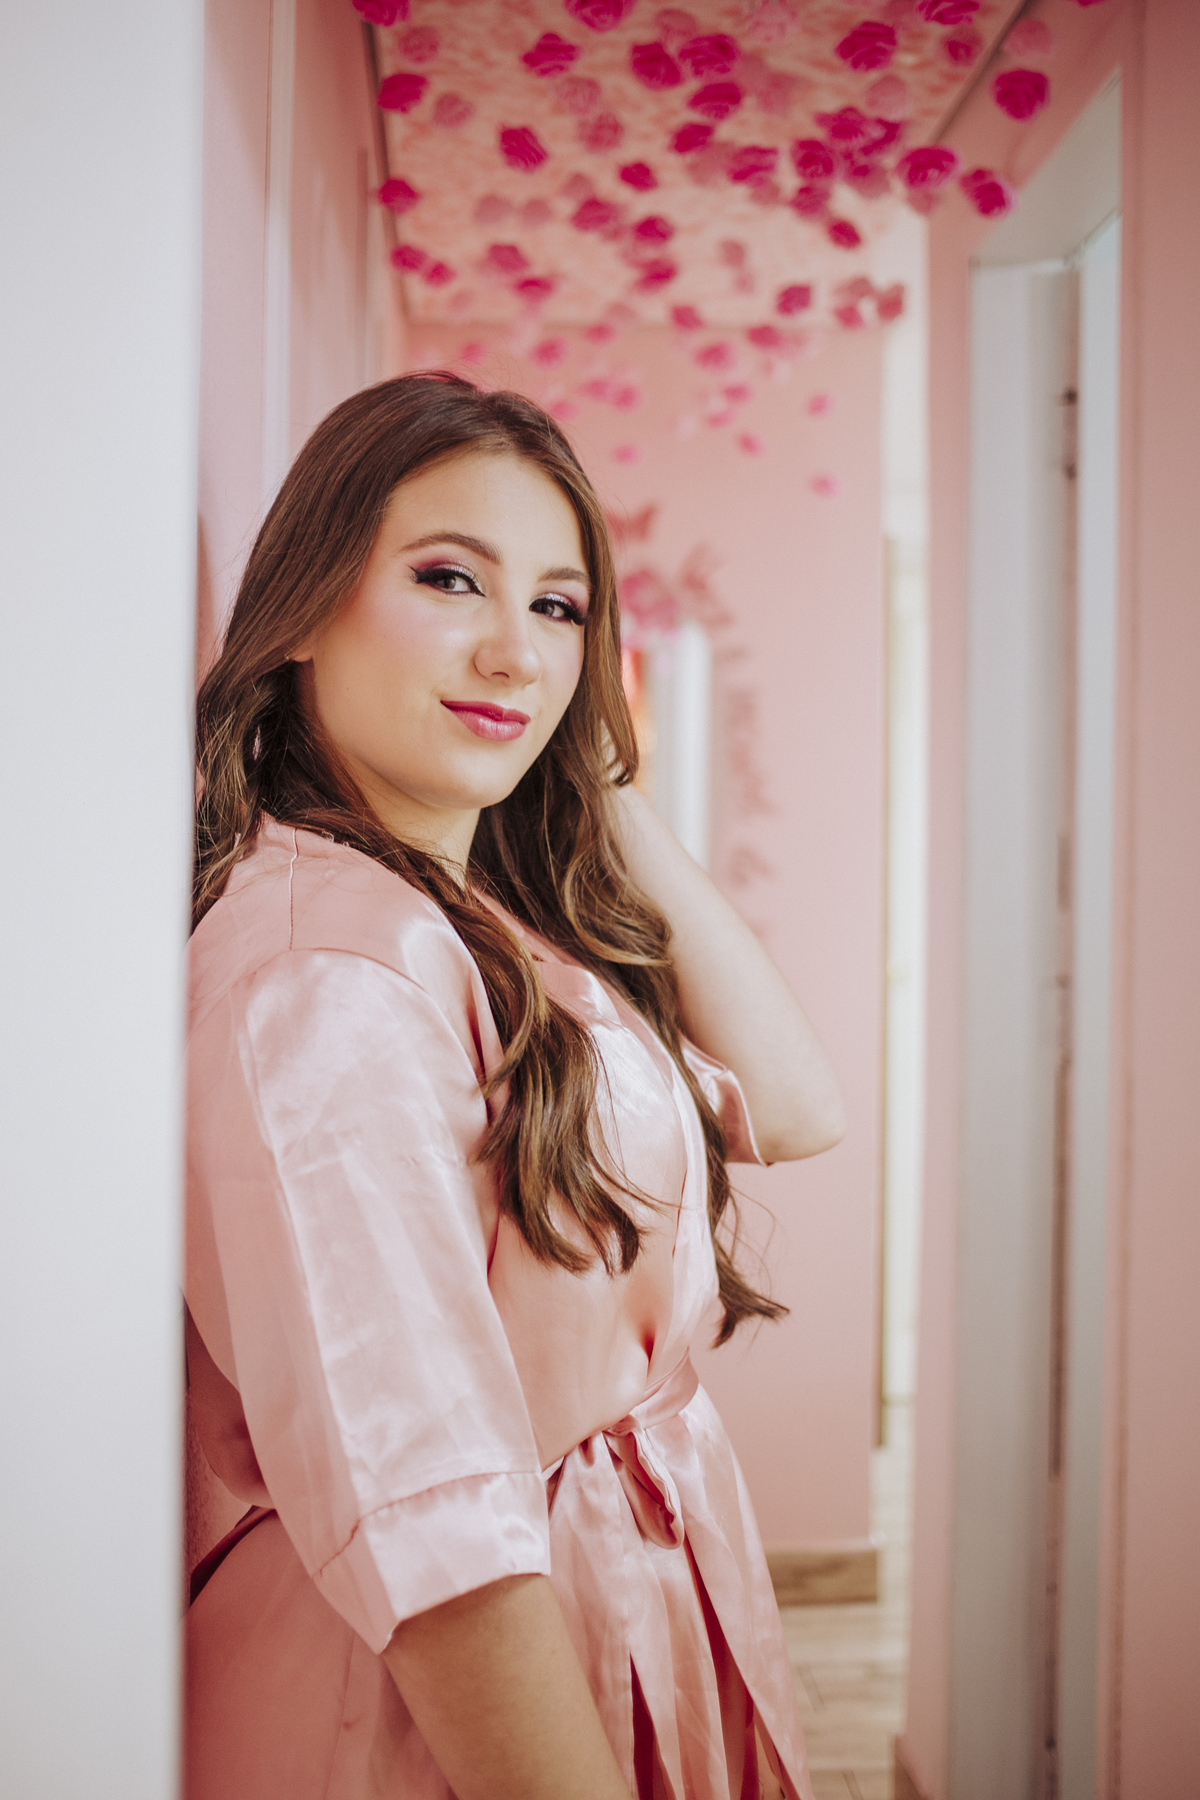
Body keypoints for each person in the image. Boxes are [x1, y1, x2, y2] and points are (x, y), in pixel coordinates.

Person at [184, 372, 845, 1800]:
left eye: (559, 607)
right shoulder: (328, 981)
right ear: (301, 610)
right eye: (448, 580)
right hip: (438, 1706)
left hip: (608, 1605)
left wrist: (588, 768)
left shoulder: (475, 916)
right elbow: (429, 1521)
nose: (513, 650)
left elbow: (798, 1108)